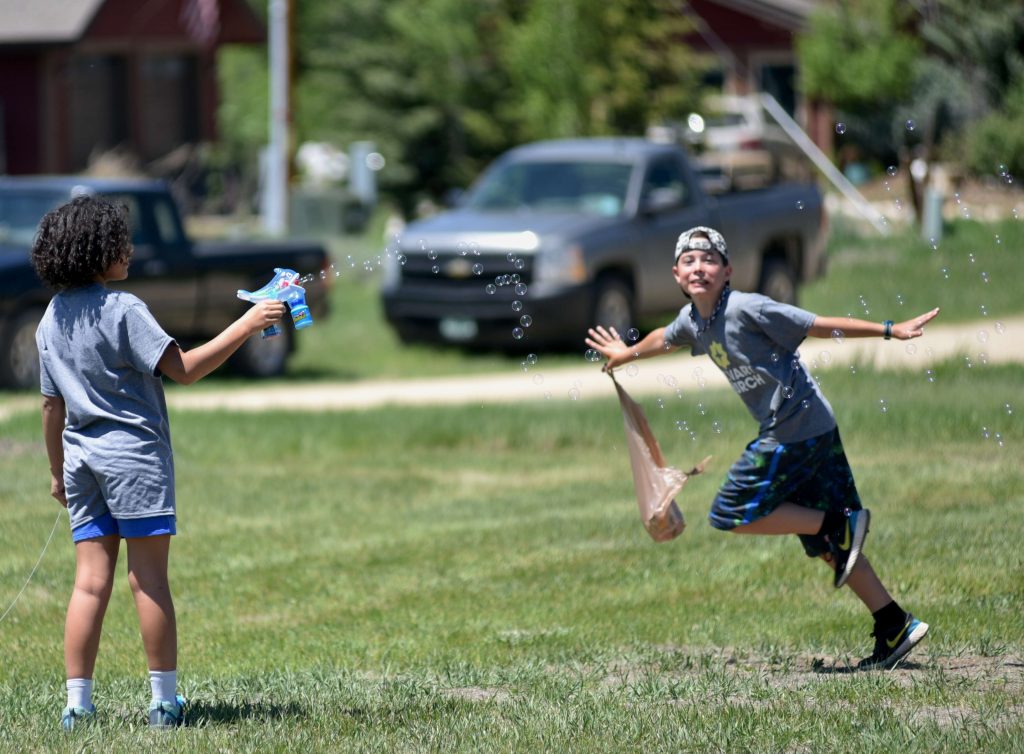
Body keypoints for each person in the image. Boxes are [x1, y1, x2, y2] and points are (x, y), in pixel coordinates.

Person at [585, 226, 940, 671]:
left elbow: (816, 324)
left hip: (793, 429)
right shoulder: (694, 320)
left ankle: (839, 523)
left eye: (709, 259)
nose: (699, 267)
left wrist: (890, 329)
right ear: (677, 275)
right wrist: (626, 353)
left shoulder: (747, 308)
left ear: (727, 271)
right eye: (689, 261)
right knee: (833, 546)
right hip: (814, 429)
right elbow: (665, 337)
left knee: (729, 511)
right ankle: (895, 624)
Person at [32, 195, 285, 729]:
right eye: (119, 243)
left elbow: (51, 408)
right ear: (96, 252)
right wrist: (246, 325)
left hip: (82, 464)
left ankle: (77, 707)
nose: (128, 249)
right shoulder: (125, 310)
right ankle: (165, 704)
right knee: (148, 581)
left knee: (88, 584)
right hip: (135, 462)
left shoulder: (51, 318)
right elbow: (185, 369)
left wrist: (57, 471)